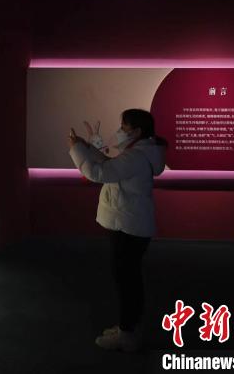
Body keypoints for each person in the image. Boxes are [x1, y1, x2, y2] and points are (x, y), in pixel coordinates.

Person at [67, 109, 167, 352]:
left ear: (137, 131)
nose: (120, 130)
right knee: (130, 280)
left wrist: (76, 149)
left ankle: (127, 334)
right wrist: (86, 147)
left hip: (128, 226)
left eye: (124, 127)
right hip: (130, 224)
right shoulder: (139, 152)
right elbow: (110, 164)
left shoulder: (135, 156)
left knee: (126, 282)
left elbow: (99, 172)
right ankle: (128, 328)